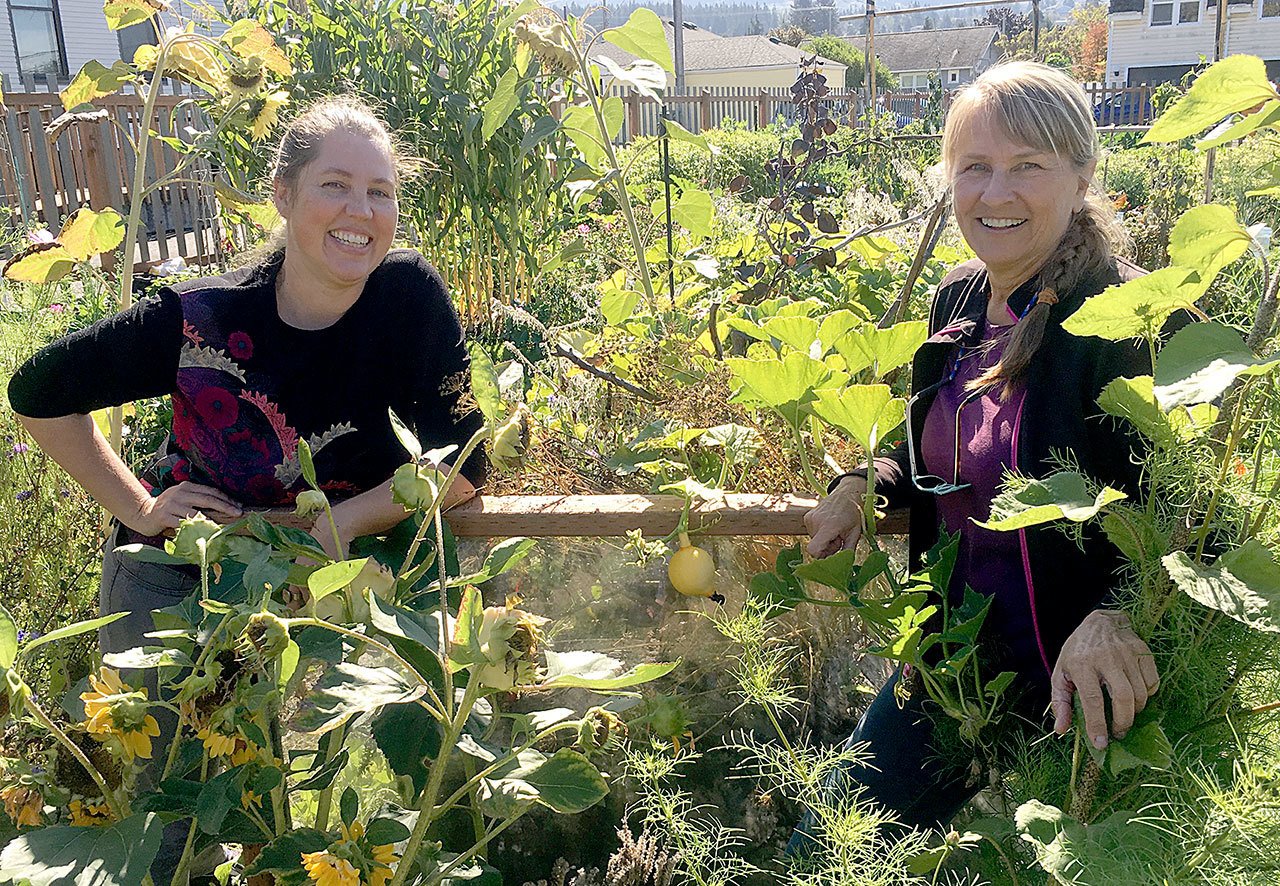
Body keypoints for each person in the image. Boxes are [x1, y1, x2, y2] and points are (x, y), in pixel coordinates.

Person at [8, 97, 485, 879]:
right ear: (284, 195)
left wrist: (334, 528)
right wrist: (138, 506)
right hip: (178, 578)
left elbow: (463, 461)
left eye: (381, 192)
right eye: (335, 185)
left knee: (307, 821)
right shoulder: (204, 318)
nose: (360, 212)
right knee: (179, 829)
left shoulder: (407, 301)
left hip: (323, 582)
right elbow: (37, 389)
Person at [801, 62, 1161, 831]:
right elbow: (941, 441)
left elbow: (1191, 514)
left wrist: (1115, 616)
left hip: (1081, 698)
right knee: (831, 843)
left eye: (1027, 167)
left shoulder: (1129, 320)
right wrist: (871, 480)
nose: (996, 194)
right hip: (952, 671)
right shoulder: (958, 296)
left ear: (1082, 174)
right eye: (975, 169)